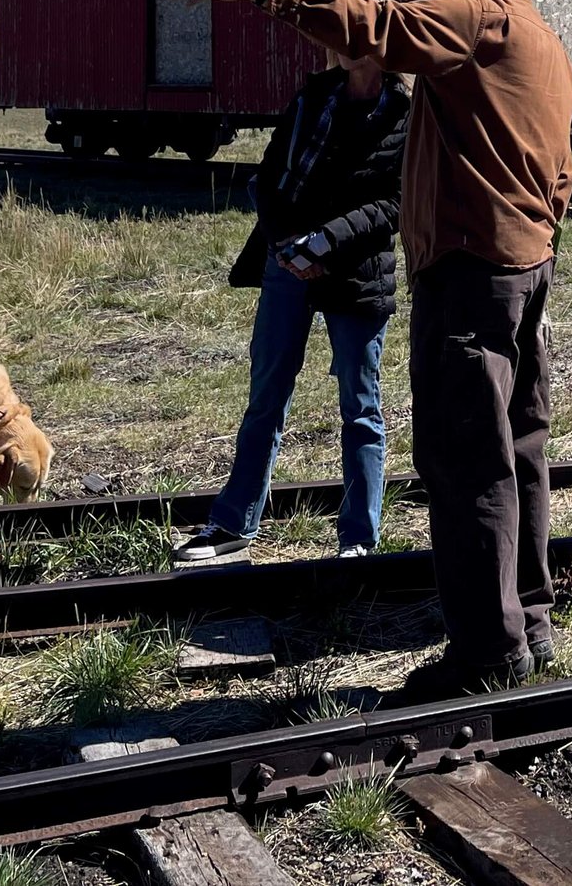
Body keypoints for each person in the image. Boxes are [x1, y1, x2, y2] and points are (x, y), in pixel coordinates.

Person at [167, 0, 572, 696]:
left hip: (470, 272)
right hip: (523, 267)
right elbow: (560, 170)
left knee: (466, 461)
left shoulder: (484, 16)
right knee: (518, 450)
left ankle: (488, 654)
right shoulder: (546, 44)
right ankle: (530, 618)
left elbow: (377, 24)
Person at [176, 50, 411, 564]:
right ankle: (233, 523)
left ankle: (358, 540)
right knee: (266, 393)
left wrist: (325, 243)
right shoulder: (313, 96)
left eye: (352, 35)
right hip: (287, 263)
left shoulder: (404, 112)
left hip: (357, 273)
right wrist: (287, 244)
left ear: (380, 46)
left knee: (360, 405)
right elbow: (267, 176)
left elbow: (395, 202)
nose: (338, 46)